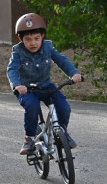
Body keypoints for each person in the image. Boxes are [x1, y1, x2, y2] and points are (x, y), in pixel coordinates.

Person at [7, 13, 83, 155]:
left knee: (63, 105)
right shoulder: (18, 52)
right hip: (27, 90)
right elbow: (12, 69)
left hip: (46, 87)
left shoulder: (48, 47)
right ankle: (29, 138)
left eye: (36, 38)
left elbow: (62, 60)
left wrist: (74, 73)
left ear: (42, 37)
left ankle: (62, 131)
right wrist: (17, 85)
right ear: (20, 39)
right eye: (28, 39)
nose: (33, 43)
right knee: (32, 106)